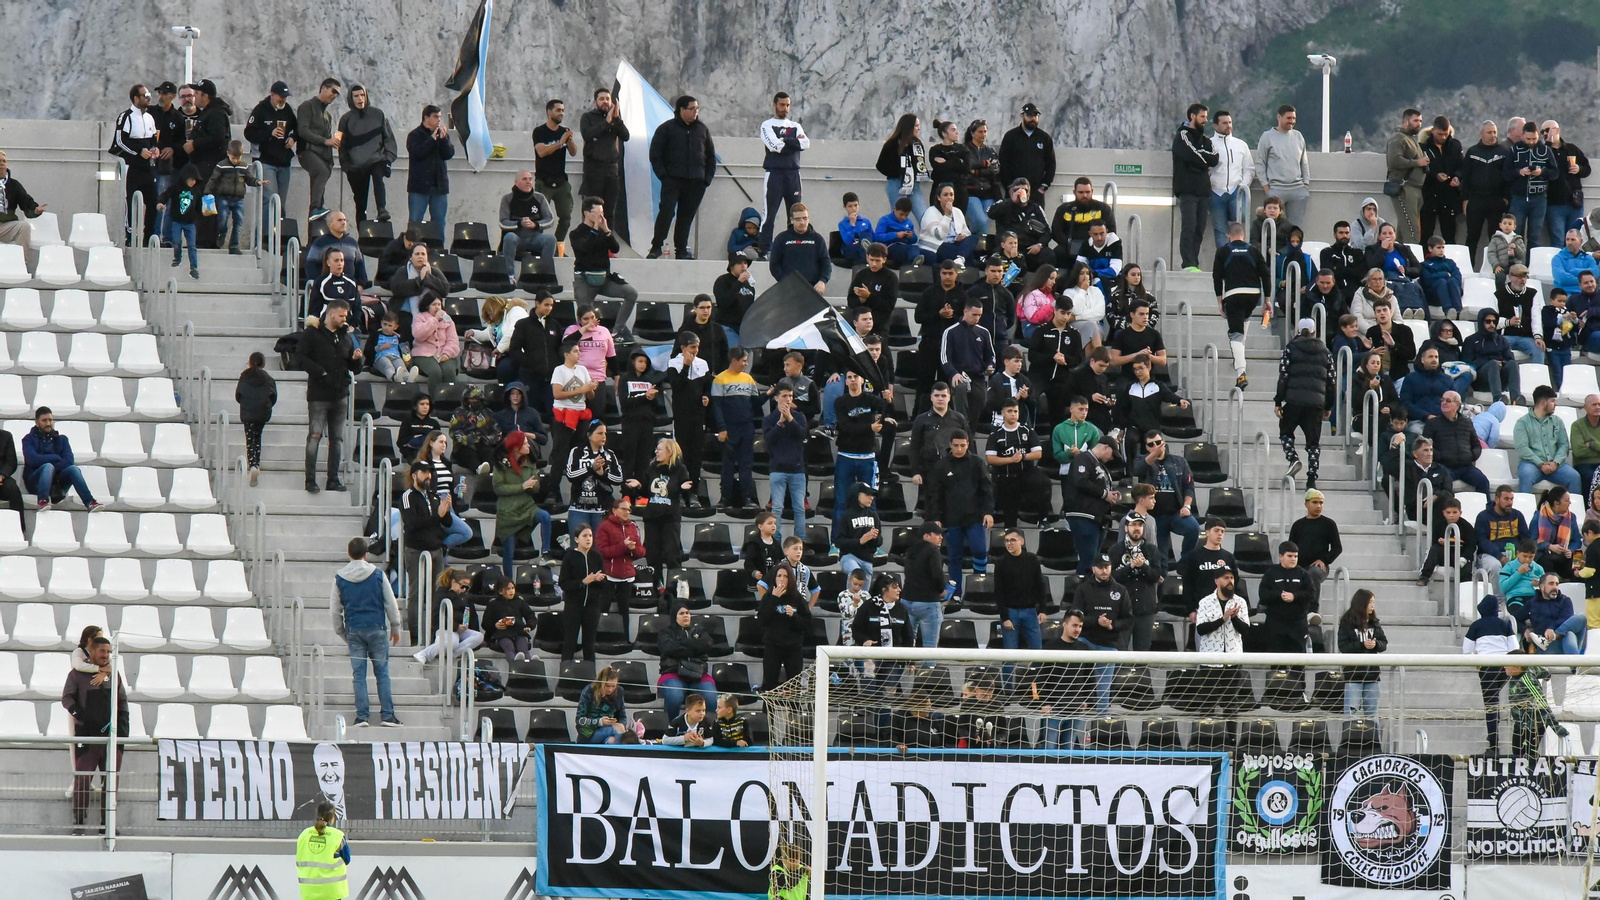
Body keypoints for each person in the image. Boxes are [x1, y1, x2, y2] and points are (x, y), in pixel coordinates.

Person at [331, 537, 403, 727]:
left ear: (349, 554)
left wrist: (342, 632)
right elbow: (390, 603)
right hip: (377, 628)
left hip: (354, 630)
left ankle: (362, 716)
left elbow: (334, 610)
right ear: (366, 554)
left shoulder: (340, 577)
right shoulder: (378, 574)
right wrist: (395, 626)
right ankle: (387, 715)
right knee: (382, 673)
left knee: (359, 676)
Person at [61, 635, 128, 831]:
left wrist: (123, 728)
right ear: (92, 652)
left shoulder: (114, 675)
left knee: (111, 782)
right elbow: (66, 699)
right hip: (88, 737)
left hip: (111, 738)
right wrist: (81, 717)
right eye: (102, 651)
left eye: (109, 652)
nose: (106, 655)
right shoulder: (76, 675)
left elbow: (122, 702)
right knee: (82, 780)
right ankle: (79, 823)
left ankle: (107, 824)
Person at [294, 298, 361, 492]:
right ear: (331, 314)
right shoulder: (312, 334)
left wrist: (357, 359)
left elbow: (352, 365)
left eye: (345, 316)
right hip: (319, 394)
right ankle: (310, 479)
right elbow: (300, 357)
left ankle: (333, 479)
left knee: (337, 439)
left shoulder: (345, 337)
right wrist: (320, 372)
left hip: (340, 393)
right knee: (315, 435)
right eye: (341, 315)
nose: (344, 319)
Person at [925, 430, 995, 592]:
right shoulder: (941, 466)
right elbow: (934, 494)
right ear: (950, 445)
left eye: (962, 445)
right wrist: (935, 517)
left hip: (974, 517)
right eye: (956, 445)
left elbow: (987, 489)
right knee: (954, 558)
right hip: (951, 519)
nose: (959, 449)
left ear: (968, 444)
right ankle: (955, 593)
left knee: (979, 550)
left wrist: (988, 512)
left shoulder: (977, 463)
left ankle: (979, 582)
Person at [648, 95, 716, 259]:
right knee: (667, 212)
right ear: (681, 110)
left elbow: (710, 156)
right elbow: (655, 154)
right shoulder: (666, 129)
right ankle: (656, 246)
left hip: (696, 183)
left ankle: (681, 250)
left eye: (697, 109)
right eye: (692, 109)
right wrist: (664, 176)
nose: (695, 112)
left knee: (686, 217)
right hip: (672, 180)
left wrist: (706, 179)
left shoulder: (702, 129)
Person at [1273, 317, 1334, 487]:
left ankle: (1293, 458)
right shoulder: (1325, 351)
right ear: (1314, 331)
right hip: (1316, 403)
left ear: (1298, 331)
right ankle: (1312, 478)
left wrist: (1278, 400)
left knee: (1285, 432)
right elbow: (1331, 381)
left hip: (1294, 400)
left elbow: (1283, 375)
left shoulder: (1291, 348)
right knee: (1313, 443)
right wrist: (1328, 405)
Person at [569, 197, 640, 340]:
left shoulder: (603, 231)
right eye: (597, 212)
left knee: (631, 293)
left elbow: (615, 248)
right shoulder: (576, 233)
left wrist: (606, 230)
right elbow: (585, 248)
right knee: (585, 310)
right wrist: (594, 228)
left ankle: (617, 330)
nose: (600, 216)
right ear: (587, 213)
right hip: (585, 277)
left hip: (603, 277)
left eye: (602, 212)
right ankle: (586, 336)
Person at [1213, 221, 1269, 389]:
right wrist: (1267, 300)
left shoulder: (1223, 251)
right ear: (1243, 235)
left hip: (1233, 294)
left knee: (1235, 333)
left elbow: (1216, 277)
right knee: (1243, 320)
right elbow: (1265, 275)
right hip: (1253, 294)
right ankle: (1239, 356)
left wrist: (1219, 300)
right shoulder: (1253, 250)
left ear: (1228, 236)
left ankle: (1241, 372)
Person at [1133, 432, 1199, 567]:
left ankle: (1185, 562)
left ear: (1164, 442)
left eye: (1158, 443)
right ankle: (1161, 581)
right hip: (1154, 516)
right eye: (1151, 444)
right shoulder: (1142, 460)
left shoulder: (1179, 462)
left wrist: (1187, 506)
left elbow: (1189, 487)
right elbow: (1138, 470)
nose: (1155, 446)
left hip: (1175, 512)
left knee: (1193, 528)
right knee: (1160, 557)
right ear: (1147, 447)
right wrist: (1154, 454)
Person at [493, 430, 553, 574]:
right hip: (508, 512)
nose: (529, 446)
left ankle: (546, 552)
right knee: (509, 552)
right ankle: (508, 582)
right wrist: (522, 486)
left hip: (527, 506)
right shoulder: (501, 464)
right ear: (516, 447)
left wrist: (534, 485)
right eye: (525, 444)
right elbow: (498, 488)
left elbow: (536, 487)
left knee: (545, 516)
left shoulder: (530, 462)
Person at [1463, 593, 1517, 751]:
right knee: (1495, 700)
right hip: (1503, 668)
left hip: (1486, 668)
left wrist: (1477, 663)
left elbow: (1467, 651)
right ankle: (1495, 729)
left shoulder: (1476, 626)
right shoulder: (1505, 624)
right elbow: (1514, 648)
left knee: (1490, 704)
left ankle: (1493, 741)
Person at [336, 84, 398, 223]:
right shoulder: (345, 120)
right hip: (356, 165)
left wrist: (388, 160)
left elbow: (389, 139)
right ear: (351, 99)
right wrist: (346, 166)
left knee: (377, 176)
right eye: (356, 96)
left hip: (377, 159)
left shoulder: (378, 114)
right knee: (360, 202)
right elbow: (341, 145)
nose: (360, 99)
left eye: (362, 95)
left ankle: (382, 209)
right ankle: (362, 235)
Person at [243, 81, 297, 237]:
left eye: (285, 98)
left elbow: (295, 127)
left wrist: (292, 138)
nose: (283, 101)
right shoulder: (260, 110)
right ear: (272, 95)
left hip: (284, 161)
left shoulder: (287, 110)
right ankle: (267, 235)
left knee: (281, 201)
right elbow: (249, 133)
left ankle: (280, 232)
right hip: (266, 161)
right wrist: (269, 134)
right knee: (269, 198)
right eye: (281, 97)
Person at [757, 92, 809, 253]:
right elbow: (774, 146)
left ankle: (793, 248)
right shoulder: (767, 125)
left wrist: (786, 141)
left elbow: (806, 143)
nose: (785, 108)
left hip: (793, 174)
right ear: (775, 105)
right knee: (770, 214)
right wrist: (794, 143)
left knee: (795, 213)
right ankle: (764, 249)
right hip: (774, 174)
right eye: (782, 105)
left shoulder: (795, 125)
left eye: (787, 105)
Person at [711, 347, 762, 510]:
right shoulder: (720, 379)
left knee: (746, 465)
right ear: (734, 361)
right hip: (729, 428)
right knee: (727, 466)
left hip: (746, 427)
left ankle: (747, 498)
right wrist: (722, 428)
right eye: (744, 361)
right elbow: (717, 407)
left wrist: (769, 395)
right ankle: (726, 498)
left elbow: (756, 404)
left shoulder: (749, 379)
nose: (746, 364)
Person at [22, 406, 100, 511]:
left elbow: (69, 461)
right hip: (36, 482)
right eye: (44, 420)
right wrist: (55, 457)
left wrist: (52, 467)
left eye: (50, 420)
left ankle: (90, 502)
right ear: (37, 422)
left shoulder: (62, 439)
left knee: (73, 469)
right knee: (47, 467)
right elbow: (32, 460)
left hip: (57, 484)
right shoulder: (28, 439)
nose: (48, 423)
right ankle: (42, 501)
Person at [664, 334, 712, 501]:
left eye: (697, 347)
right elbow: (676, 386)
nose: (695, 351)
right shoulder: (673, 363)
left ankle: (693, 492)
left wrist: (706, 396)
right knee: (682, 454)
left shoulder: (703, 364)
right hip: (681, 416)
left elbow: (707, 386)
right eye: (692, 347)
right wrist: (685, 366)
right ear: (683, 348)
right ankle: (680, 489)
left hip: (698, 416)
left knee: (696, 456)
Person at [1171, 103, 1219, 271]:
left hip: (1203, 191)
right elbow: (1190, 154)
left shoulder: (1206, 140)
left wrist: (1200, 159)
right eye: (1202, 117)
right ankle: (1187, 263)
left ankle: (1194, 262)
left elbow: (1214, 158)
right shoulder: (1182, 135)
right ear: (1193, 116)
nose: (1205, 120)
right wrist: (1202, 162)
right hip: (1187, 190)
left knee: (1199, 229)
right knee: (1189, 227)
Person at [1062, 436, 1119, 575]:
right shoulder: (1083, 459)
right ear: (1106, 447)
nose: (1112, 459)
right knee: (1089, 563)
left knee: (1094, 563)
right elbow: (1081, 481)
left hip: (1096, 518)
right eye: (1112, 454)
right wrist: (1105, 494)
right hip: (1084, 515)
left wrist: (1110, 494)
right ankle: (1082, 593)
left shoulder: (1097, 463)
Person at [398, 463, 448, 620]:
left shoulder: (433, 496)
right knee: (416, 592)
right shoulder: (408, 497)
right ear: (414, 475)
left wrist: (446, 511)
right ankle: (415, 633)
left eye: (430, 473)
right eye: (424, 472)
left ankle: (433, 630)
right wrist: (438, 516)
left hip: (436, 549)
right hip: (416, 550)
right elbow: (412, 524)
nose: (428, 476)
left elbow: (446, 523)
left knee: (437, 592)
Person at [112, 84, 160, 245]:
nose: (148, 98)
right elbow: (120, 141)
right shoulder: (126, 116)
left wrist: (154, 149)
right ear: (136, 98)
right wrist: (139, 151)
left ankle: (149, 236)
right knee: (131, 201)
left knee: (153, 201)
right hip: (132, 167)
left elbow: (153, 139)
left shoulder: (150, 117)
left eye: (149, 95)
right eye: (145, 95)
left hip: (148, 167)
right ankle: (130, 235)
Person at [638, 438, 692, 571]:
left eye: (659, 449)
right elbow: (645, 492)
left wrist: (685, 490)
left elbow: (687, 498)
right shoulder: (652, 467)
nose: (656, 451)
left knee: (671, 555)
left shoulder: (680, 469)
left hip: (670, 518)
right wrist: (637, 486)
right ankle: (657, 587)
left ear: (669, 452)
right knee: (652, 556)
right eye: (656, 449)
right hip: (652, 518)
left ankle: (674, 588)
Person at [1516, 385, 1582, 493]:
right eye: (1552, 401)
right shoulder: (1522, 423)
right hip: (1532, 464)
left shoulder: (1557, 421)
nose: (1555, 404)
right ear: (1543, 402)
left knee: (1574, 477)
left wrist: (1555, 463)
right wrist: (1540, 464)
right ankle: (1525, 509)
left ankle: (1573, 509)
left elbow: (1563, 445)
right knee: (1526, 474)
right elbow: (1522, 448)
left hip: (1555, 465)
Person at [1461, 121, 1510, 262]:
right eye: (1489, 132)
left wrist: (1506, 198)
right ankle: (1468, 267)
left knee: (1496, 237)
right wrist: (1465, 199)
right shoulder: (1472, 152)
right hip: (1476, 200)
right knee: (1472, 236)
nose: (1493, 135)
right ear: (1482, 134)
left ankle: (1496, 269)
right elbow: (1466, 177)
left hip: (1496, 200)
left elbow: (1508, 177)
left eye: (1495, 132)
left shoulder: (1504, 151)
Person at [597, 496, 646, 635]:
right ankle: (600, 635)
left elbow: (641, 552)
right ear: (614, 510)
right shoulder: (605, 527)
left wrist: (632, 548)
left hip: (628, 575)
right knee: (603, 607)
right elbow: (602, 551)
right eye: (624, 509)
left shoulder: (633, 527)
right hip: (609, 574)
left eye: (629, 509)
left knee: (624, 609)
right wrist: (623, 546)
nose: (627, 512)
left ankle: (624, 636)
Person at [763, 386, 808, 541]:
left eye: (790, 396)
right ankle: (775, 541)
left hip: (797, 469)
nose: (788, 399)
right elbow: (768, 440)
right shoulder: (769, 419)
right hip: (777, 469)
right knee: (777, 508)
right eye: (784, 395)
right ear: (776, 398)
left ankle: (800, 541)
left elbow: (802, 434)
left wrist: (790, 419)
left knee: (800, 508)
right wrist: (780, 423)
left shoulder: (799, 416)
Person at [531, 98, 577, 247]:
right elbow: (542, 152)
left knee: (566, 217)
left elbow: (574, 152)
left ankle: (557, 245)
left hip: (561, 182)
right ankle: (538, 245)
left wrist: (569, 141)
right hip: (544, 181)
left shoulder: (564, 131)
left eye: (563, 110)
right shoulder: (540, 132)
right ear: (549, 112)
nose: (561, 113)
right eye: (558, 110)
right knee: (538, 217)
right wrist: (560, 143)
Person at [566, 420, 624, 536]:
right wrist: (591, 469)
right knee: (579, 547)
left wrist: (603, 474)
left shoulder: (609, 454)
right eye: (600, 433)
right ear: (589, 435)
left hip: (601, 510)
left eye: (605, 433)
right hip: (579, 508)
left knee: (598, 549)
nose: (604, 436)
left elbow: (619, 478)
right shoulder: (577, 451)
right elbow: (570, 475)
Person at [412, 568, 483, 663]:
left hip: (460, 629)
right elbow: (436, 615)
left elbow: (472, 616)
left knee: (478, 636)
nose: (464, 590)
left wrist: (464, 626)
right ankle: (424, 653)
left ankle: (453, 654)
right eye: (463, 586)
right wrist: (455, 626)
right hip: (445, 628)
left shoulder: (465, 597)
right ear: (454, 582)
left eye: (467, 588)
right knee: (452, 642)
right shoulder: (442, 593)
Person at [294, 78, 341, 222]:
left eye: (338, 94)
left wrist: (331, 161)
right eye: (333, 91)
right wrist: (326, 141)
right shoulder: (307, 106)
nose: (335, 95)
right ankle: (315, 208)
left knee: (318, 193)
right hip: (307, 152)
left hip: (322, 156)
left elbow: (328, 139)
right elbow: (303, 131)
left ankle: (313, 232)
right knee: (322, 172)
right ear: (323, 88)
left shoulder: (328, 116)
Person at [1256, 104, 1311, 227]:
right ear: (1279, 117)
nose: (1291, 121)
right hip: (1276, 189)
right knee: (1274, 227)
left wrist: (1305, 185)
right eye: (1288, 118)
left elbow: (1304, 163)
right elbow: (1260, 163)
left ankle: (1293, 247)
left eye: (1293, 118)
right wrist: (1267, 189)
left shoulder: (1298, 136)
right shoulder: (1267, 136)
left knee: (1295, 229)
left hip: (1298, 189)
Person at [579, 88, 630, 221]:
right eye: (601, 99)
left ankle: (607, 238)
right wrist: (605, 123)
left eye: (607, 99)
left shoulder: (615, 119)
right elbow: (587, 135)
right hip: (593, 170)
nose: (605, 102)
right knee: (592, 209)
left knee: (610, 211)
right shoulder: (587, 117)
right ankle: (589, 240)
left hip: (611, 170)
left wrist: (617, 119)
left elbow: (626, 136)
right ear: (595, 102)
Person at [758, 564, 812, 689]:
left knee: (794, 685)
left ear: (790, 579)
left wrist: (794, 616)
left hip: (793, 648)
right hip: (772, 647)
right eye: (779, 576)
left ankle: (793, 709)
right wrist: (774, 599)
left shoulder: (797, 598)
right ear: (774, 578)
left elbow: (807, 624)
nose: (782, 579)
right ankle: (768, 709)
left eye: (785, 576)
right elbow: (762, 620)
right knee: (769, 684)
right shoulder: (768, 597)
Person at [992, 529, 1047, 649]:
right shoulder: (1001, 562)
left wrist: (1042, 609)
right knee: (1010, 655)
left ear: (1021, 541)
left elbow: (1040, 585)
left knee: (1038, 652)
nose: (1009, 543)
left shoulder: (1032, 559)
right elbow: (999, 591)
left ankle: (1036, 669)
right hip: (1010, 612)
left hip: (1030, 612)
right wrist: (1005, 617)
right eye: (1006, 541)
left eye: (1012, 540)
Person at [559, 524, 607, 662]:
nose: (588, 539)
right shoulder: (570, 557)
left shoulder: (596, 556)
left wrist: (598, 579)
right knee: (569, 644)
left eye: (590, 536)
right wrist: (582, 582)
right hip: (573, 607)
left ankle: (591, 679)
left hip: (592, 607)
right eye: (585, 536)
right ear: (576, 539)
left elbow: (604, 584)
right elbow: (564, 583)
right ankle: (565, 677)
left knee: (589, 645)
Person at [1506, 121, 1558, 246]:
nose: (1531, 141)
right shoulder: (1514, 150)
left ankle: (1531, 265)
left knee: (1534, 237)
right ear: (1522, 136)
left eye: (1534, 138)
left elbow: (1555, 173)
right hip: (1518, 198)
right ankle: (1515, 265)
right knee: (1515, 236)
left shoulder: (1545, 150)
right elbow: (1505, 174)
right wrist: (1519, 172)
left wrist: (1541, 172)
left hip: (1539, 199)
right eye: (1528, 138)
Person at [1257, 541, 1316, 652]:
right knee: (1277, 663)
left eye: (1295, 556)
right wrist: (1279, 596)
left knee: (1298, 663)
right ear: (1280, 556)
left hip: (1298, 624)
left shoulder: (1303, 574)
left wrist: (1295, 596)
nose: (1293, 559)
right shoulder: (1271, 573)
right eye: (1289, 556)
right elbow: (1263, 594)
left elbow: (1311, 594)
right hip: (1275, 624)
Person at [1337, 589, 1386, 716]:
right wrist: (1362, 645)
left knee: (1372, 715)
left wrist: (1375, 645)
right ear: (1362, 603)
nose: (1372, 606)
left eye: (1374, 602)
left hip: (1372, 676)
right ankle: (1350, 737)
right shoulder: (1347, 622)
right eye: (1370, 602)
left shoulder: (1374, 622)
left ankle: (1374, 737)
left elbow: (1384, 643)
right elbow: (1343, 646)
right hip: (1353, 676)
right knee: (1351, 715)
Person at [497, 170, 557, 272]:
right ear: (516, 182)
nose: (528, 182)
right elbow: (503, 222)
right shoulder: (507, 199)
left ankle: (544, 273)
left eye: (530, 179)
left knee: (550, 239)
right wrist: (519, 224)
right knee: (509, 237)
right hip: (517, 238)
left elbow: (550, 219)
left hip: (535, 238)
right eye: (524, 179)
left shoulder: (539, 197)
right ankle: (509, 274)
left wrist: (536, 225)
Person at [902, 523, 949, 650]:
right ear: (926, 536)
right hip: (927, 602)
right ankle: (929, 669)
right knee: (930, 647)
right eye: (937, 534)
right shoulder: (933, 550)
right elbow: (937, 575)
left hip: (907, 600)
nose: (941, 537)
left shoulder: (910, 551)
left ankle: (908, 668)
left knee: (907, 645)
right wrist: (942, 590)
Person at [1385, 108, 1429, 244]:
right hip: (1404, 188)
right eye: (1415, 120)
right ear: (1405, 121)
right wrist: (1417, 162)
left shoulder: (1411, 139)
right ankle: (1413, 262)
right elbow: (1394, 160)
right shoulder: (1398, 138)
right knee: (1412, 230)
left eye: (1420, 121)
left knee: (1404, 231)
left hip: (1415, 188)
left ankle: (1401, 258)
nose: (1419, 124)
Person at [406, 104, 453, 228]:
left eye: (440, 117)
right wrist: (432, 139)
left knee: (439, 222)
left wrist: (443, 140)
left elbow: (448, 154)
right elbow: (417, 153)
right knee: (415, 221)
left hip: (439, 186)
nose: (439, 120)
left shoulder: (442, 135)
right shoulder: (414, 135)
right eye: (435, 117)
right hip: (419, 187)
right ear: (426, 118)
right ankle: (413, 247)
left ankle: (438, 247)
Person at [989, 180, 1052, 270]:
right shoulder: (1003, 204)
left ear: (1029, 193)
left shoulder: (1036, 208)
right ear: (1011, 191)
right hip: (1007, 247)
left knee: (1048, 254)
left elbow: (1047, 231)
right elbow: (991, 213)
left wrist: (1039, 244)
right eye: (1016, 190)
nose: (1021, 192)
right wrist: (1011, 201)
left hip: (1029, 247)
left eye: (1025, 190)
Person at [235, 352, 278, 486]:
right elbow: (273, 396)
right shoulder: (268, 378)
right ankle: (256, 463)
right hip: (262, 411)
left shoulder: (244, 377)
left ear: (249, 363)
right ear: (263, 364)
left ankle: (252, 464)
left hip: (248, 411)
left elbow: (238, 394)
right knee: (258, 436)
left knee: (249, 437)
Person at [295, 800, 351, 899]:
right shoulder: (337, 835)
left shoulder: (304, 834)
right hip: (332, 891)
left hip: (309, 891)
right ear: (332, 818)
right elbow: (347, 859)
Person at [997, 102, 1054, 197]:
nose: (1032, 118)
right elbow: (1003, 162)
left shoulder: (1044, 138)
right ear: (1022, 116)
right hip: (1015, 190)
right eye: (1029, 115)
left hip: (1036, 191)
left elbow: (1051, 163)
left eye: (1035, 115)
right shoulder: (1011, 136)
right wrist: (1009, 186)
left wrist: (1044, 186)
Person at [1053, 177, 1116, 262]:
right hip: (1069, 248)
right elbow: (1056, 231)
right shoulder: (1064, 209)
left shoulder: (1103, 208)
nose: (1085, 195)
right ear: (1074, 192)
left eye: (1087, 192)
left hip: (1096, 247)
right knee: (1056, 253)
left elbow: (1111, 231)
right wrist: (1068, 244)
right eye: (1081, 192)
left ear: (1092, 191)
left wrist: (1096, 243)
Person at [768, 203, 829, 291]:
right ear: (791, 220)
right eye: (798, 219)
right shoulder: (782, 239)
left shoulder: (818, 239)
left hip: (812, 289)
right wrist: (785, 281)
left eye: (805, 218)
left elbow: (826, 263)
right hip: (788, 289)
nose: (802, 222)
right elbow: (774, 264)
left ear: (809, 218)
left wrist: (822, 281)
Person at [157, 164, 202, 278]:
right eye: (191, 179)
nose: (193, 182)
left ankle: (194, 267)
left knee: (192, 245)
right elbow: (166, 194)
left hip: (190, 223)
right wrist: (161, 202)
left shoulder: (196, 191)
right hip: (177, 221)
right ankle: (177, 258)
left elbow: (199, 207)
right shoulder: (176, 188)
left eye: (195, 180)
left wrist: (204, 212)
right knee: (177, 241)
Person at [918, 183, 977, 266]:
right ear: (939, 197)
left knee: (973, 238)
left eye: (951, 195)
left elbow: (967, 232)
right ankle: (960, 259)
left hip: (955, 243)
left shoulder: (957, 211)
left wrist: (963, 236)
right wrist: (947, 215)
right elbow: (939, 235)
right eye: (945, 195)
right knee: (968, 256)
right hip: (937, 246)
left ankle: (960, 259)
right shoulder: (930, 212)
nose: (949, 197)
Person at [480, 572, 533, 661]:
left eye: (513, 588)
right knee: (509, 648)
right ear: (500, 591)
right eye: (508, 589)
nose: (511, 591)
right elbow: (485, 623)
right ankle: (515, 665)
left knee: (523, 649)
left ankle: (529, 664)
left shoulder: (520, 601)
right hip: (502, 633)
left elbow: (530, 615)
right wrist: (495, 625)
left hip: (519, 631)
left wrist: (529, 625)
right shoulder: (493, 604)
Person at [1532, 486, 1583, 580]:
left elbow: (1577, 541)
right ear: (1557, 503)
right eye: (1567, 500)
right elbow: (1532, 541)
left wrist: (1570, 550)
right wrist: (1548, 546)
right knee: (1547, 563)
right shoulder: (1538, 516)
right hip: (1544, 554)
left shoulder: (1571, 517)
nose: (1570, 503)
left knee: (1578, 559)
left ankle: (1579, 588)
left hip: (1564, 554)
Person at [576, 666, 629, 744]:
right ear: (601, 683)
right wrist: (600, 722)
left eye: (613, 686)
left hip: (609, 730)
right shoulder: (589, 691)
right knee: (617, 729)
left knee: (612, 741)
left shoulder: (619, 691)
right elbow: (579, 720)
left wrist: (618, 723)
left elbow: (622, 717)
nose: (610, 689)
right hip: (589, 734)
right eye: (607, 686)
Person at [1419, 236, 1464, 317]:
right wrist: (1445, 274)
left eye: (1443, 247)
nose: (1441, 250)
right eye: (1438, 247)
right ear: (1430, 249)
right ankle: (1448, 311)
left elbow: (1457, 277)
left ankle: (1458, 311)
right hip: (1433, 295)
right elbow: (1428, 280)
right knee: (1441, 282)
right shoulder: (1424, 265)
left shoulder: (1450, 262)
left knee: (1452, 281)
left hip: (1452, 291)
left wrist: (1438, 276)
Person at [1554, 228, 1600, 293]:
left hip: (1586, 294)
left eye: (1573, 240)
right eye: (1567, 239)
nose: (1570, 243)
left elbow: (1595, 273)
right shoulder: (1558, 258)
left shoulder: (1588, 258)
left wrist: (1574, 271)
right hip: (1566, 295)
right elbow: (1561, 279)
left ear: (1580, 241)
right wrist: (1586, 279)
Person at [1572, 395, 1600, 489]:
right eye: (1594, 405)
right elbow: (1578, 451)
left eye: (1599, 404)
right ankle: (1589, 504)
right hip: (1583, 464)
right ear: (1585, 407)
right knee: (1590, 477)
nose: (1597, 407)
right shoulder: (1577, 425)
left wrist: (1592, 444)